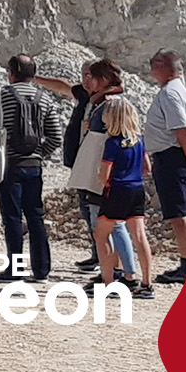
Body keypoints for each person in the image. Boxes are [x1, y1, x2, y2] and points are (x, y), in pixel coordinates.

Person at [41, 60, 138, 285]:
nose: (87, 82)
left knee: (108, 226)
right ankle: (117, 272)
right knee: (106, 225)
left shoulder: (110, 106)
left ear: (102, 80)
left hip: (101, 176)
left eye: (91, 77)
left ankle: (118, 274)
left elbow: (108, 143)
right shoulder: (99, 103)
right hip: (99, 175)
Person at [0, 54, 62, 281]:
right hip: (34, 166)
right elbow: (55, 137)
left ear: (12, 73)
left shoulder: (0, 95)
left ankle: (15, 268)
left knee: (12, 218)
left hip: (10, 165)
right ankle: (41, 270)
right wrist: (39, 153)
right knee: (35, 216)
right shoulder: (45, 99)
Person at [145, 51, 186, 284]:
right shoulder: (180, 91)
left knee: (179, 215)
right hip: (175, 155)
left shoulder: (170, 93)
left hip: (170, 157)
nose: (151, 69)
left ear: (163, 66)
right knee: (180, 213)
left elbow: (184, 130)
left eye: (154, 64)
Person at [95, 95, 156, 299]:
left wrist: (103, 178)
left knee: (102, 234)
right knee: (139, 236)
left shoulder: (113, 143)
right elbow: (147, 168)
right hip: (137, 188)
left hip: (117, 189)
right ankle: (147, 282)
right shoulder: (139, 140)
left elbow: (104, 175)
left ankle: (109, 282)